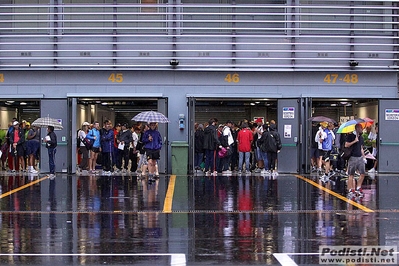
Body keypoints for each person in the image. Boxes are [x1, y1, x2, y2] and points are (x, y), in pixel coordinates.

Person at [346, 123, 367, 199]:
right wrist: (354, 141)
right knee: (351, 174)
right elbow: (346, 145)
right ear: (357, 128)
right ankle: (351, 190)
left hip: (360, 157)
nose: (361, 129)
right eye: (360, 128)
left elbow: (361, 148)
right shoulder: (350, 136)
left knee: (362, 173)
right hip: (352, 157)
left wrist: (364, 157)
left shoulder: (361, 138)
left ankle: (358, 187)